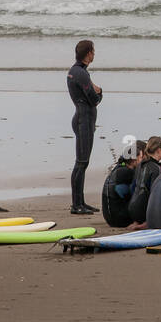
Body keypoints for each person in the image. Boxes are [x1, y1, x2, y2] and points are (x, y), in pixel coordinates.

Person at [67, 40, 102, 215]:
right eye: (93, 51)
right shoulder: (80, 73)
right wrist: (100, 91)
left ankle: (80, 202)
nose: (94, 54)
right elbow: (94, 99)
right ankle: (76, 205)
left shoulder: (77, 72)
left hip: (82, 119)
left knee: (83, 162)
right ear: (88, 53)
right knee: (81, 163)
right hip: (84, 121)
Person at [125, 136, 161, 228]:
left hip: (132, 208)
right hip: (144, 211)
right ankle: (146, 223)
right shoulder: (156, 168)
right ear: (159, 150)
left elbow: (133, 187)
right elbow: (155, 194)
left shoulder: (140, 165)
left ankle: (137, 222)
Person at [100, 146, 140, 228]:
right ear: (133, 161)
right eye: (140, 158)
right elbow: (134, 197)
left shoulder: (117, 168)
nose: (142, 161)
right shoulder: (128, 172)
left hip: (109, 218)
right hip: (120, 220)